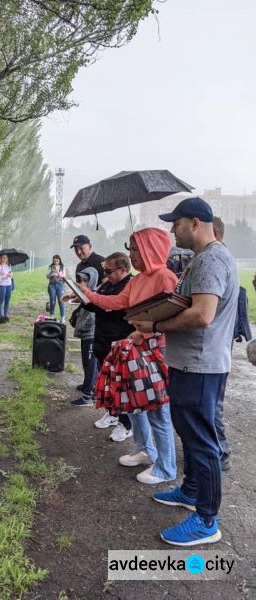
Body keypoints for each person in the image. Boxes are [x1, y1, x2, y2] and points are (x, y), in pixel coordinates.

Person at [132, 197, 239, 546]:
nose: (171, 230)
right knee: (191, 435)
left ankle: (207, 520)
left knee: (202, 442)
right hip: (192, 363)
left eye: (175, 224)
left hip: (200, 365)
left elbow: (201, 315)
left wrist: (155, 325)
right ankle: (191, 490)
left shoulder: (210, 260)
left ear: (195, 223)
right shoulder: (203, 260)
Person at [79, 228, 178, 485]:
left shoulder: (166, 277)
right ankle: (145, 450)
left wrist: (144, 333)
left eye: (135, 249)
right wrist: (86, 294)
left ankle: (166, 467)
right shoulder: (138, 280)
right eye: (131, 249)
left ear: (152, 249)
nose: (131, 255)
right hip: (137, 348)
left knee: (157, 409)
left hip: (156, 350)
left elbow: (168, 317)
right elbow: (115, 303)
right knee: (134, 404)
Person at [84, 253, 134, 441]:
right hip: (102, 339)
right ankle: (113, 413)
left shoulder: (130, 285)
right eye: (105, 270)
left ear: (123, 269)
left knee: (120, 386)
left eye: (109, 271)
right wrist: (84, 298)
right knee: (107, 385)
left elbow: (113, 305)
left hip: (118, 341)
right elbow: (97, 304)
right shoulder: (108, 284)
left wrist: (94, 298)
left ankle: (126, 423)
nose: (106, 274)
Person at [65, 235, 105, 405]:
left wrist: (92, 295)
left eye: (82, 248)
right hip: (86, 312)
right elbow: (83, 291)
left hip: (98, 315)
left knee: (91, 355)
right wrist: (73, 296)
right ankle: (91, 384)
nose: (79, 251)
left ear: (90, 246)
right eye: (76, 249)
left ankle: (90, 392)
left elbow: (107, 285)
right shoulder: (80, 266)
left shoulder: (101, 262)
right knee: (87, 353)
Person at [46, 255, 66, 322]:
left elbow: (64, 276)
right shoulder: (50, 267)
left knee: (61, 301)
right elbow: (47, 276)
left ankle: (63, 317)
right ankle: (52, 315)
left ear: (59, 260)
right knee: (52, 301)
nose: (56, 262)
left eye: (57, 261)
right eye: (54, 261)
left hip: (60, 285)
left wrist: (57, 272)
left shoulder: (62, 267)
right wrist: (52, 271)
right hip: (52, 285)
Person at [0, 254, 13, 324]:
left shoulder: (8, 266)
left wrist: (10, 275)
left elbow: (11, 275)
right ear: (1, 258)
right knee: (1, 301)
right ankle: (1, 317)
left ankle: (6, 316)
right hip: (2, 285)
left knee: (7, 301)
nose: (4, 259)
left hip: (9, 284)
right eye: (3, 257)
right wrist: (4, 277)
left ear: (7, 259)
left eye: (6, 258)